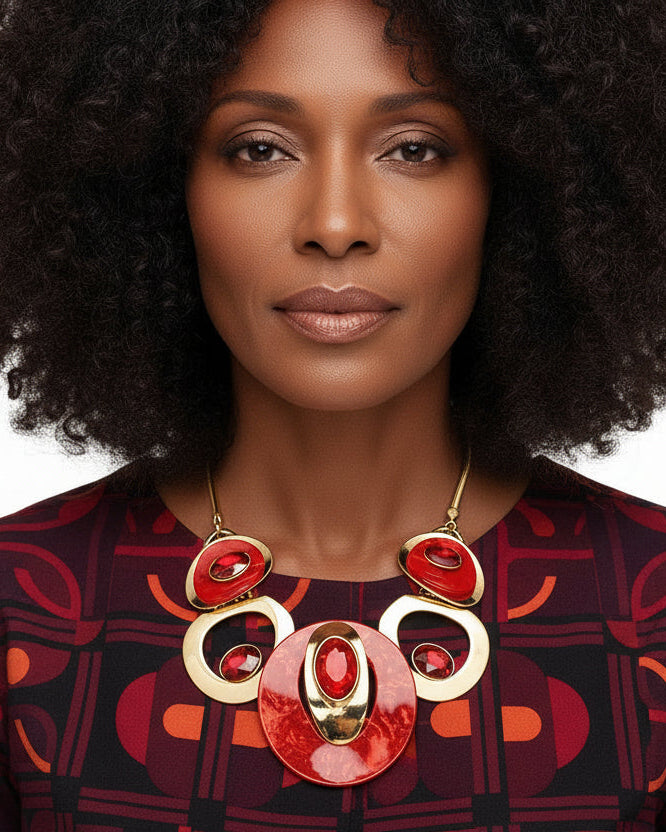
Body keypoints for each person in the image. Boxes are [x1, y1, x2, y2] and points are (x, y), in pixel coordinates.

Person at [0, 0, 665, 828]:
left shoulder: (653, 605)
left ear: (525, 185)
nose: (336, 225)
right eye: (259, 149)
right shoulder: (20, 613)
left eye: (414, 149)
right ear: (156, 190)